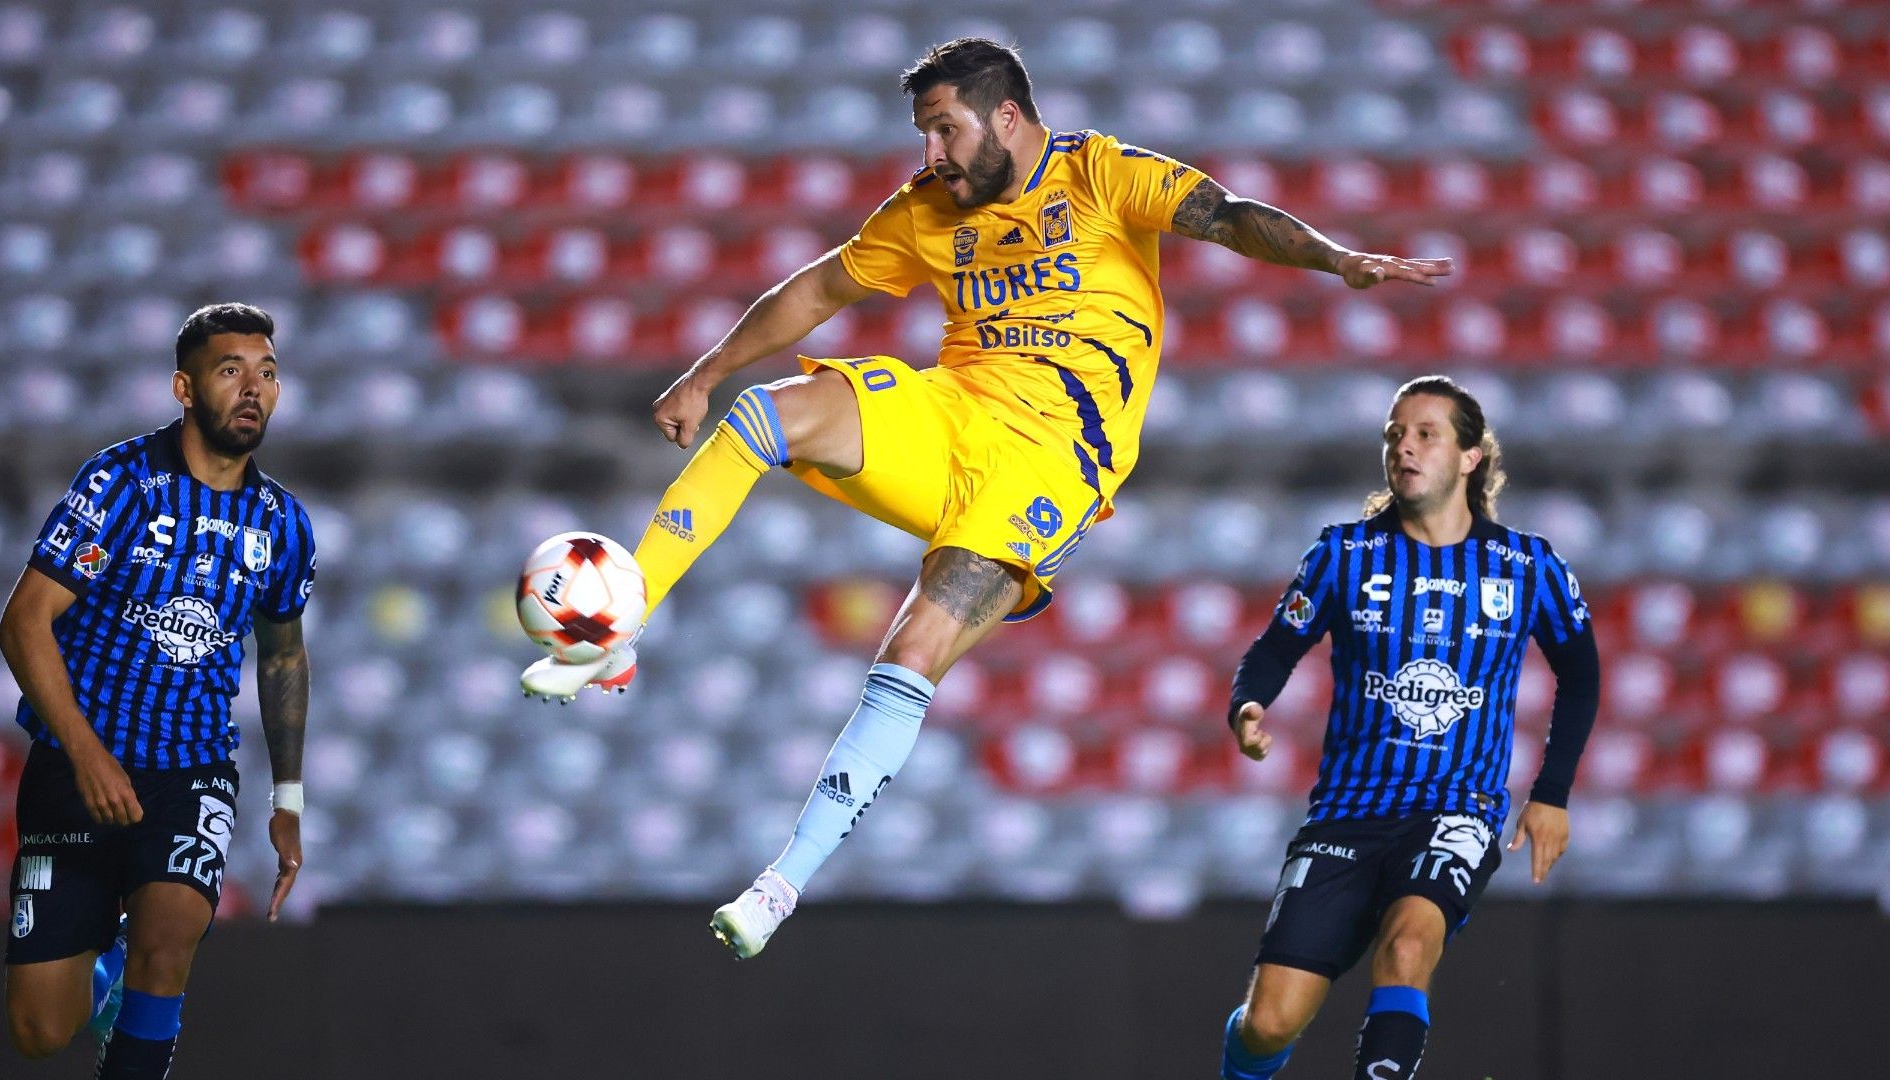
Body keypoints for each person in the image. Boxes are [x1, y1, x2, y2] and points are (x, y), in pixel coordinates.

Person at [519, 37, 1452, 959]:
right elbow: (820, 288)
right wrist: (708, 369)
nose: (931, 154)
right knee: (772, 410)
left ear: (1007, 115)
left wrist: (1338, 261)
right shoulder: (927, 210)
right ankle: (617, 627)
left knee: (914, 646)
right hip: (951, 413)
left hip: (1052, 464)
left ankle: (780, 884)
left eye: (944, 129)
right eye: (923, 133)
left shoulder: (1101, 175)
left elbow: (1229, 214)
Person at [1216, 376, 1600, 1080]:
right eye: (1395, 433)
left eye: (1426, 433)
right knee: (1269, 1025)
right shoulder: (1342, 555)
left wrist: (1552, 792)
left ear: (1470, 457)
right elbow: (1275, 648)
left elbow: (1581, 673)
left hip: (1457, 809)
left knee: (1407, 948)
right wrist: (1248, 706)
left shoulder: (1527, 565)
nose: (1405, 447)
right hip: (1348, 813)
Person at [0, 303, 317, 1077]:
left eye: (267, 373)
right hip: (75, 770)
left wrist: (289, 800)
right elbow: (23, 624)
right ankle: (103, 960)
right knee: (41, 1029)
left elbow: (280, 658)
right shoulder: (122, 484)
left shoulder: (282, 523)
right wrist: (85, 754)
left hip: (191, 770)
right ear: (184, 387)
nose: (253, 389)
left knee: (169, 938)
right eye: (230, 371)